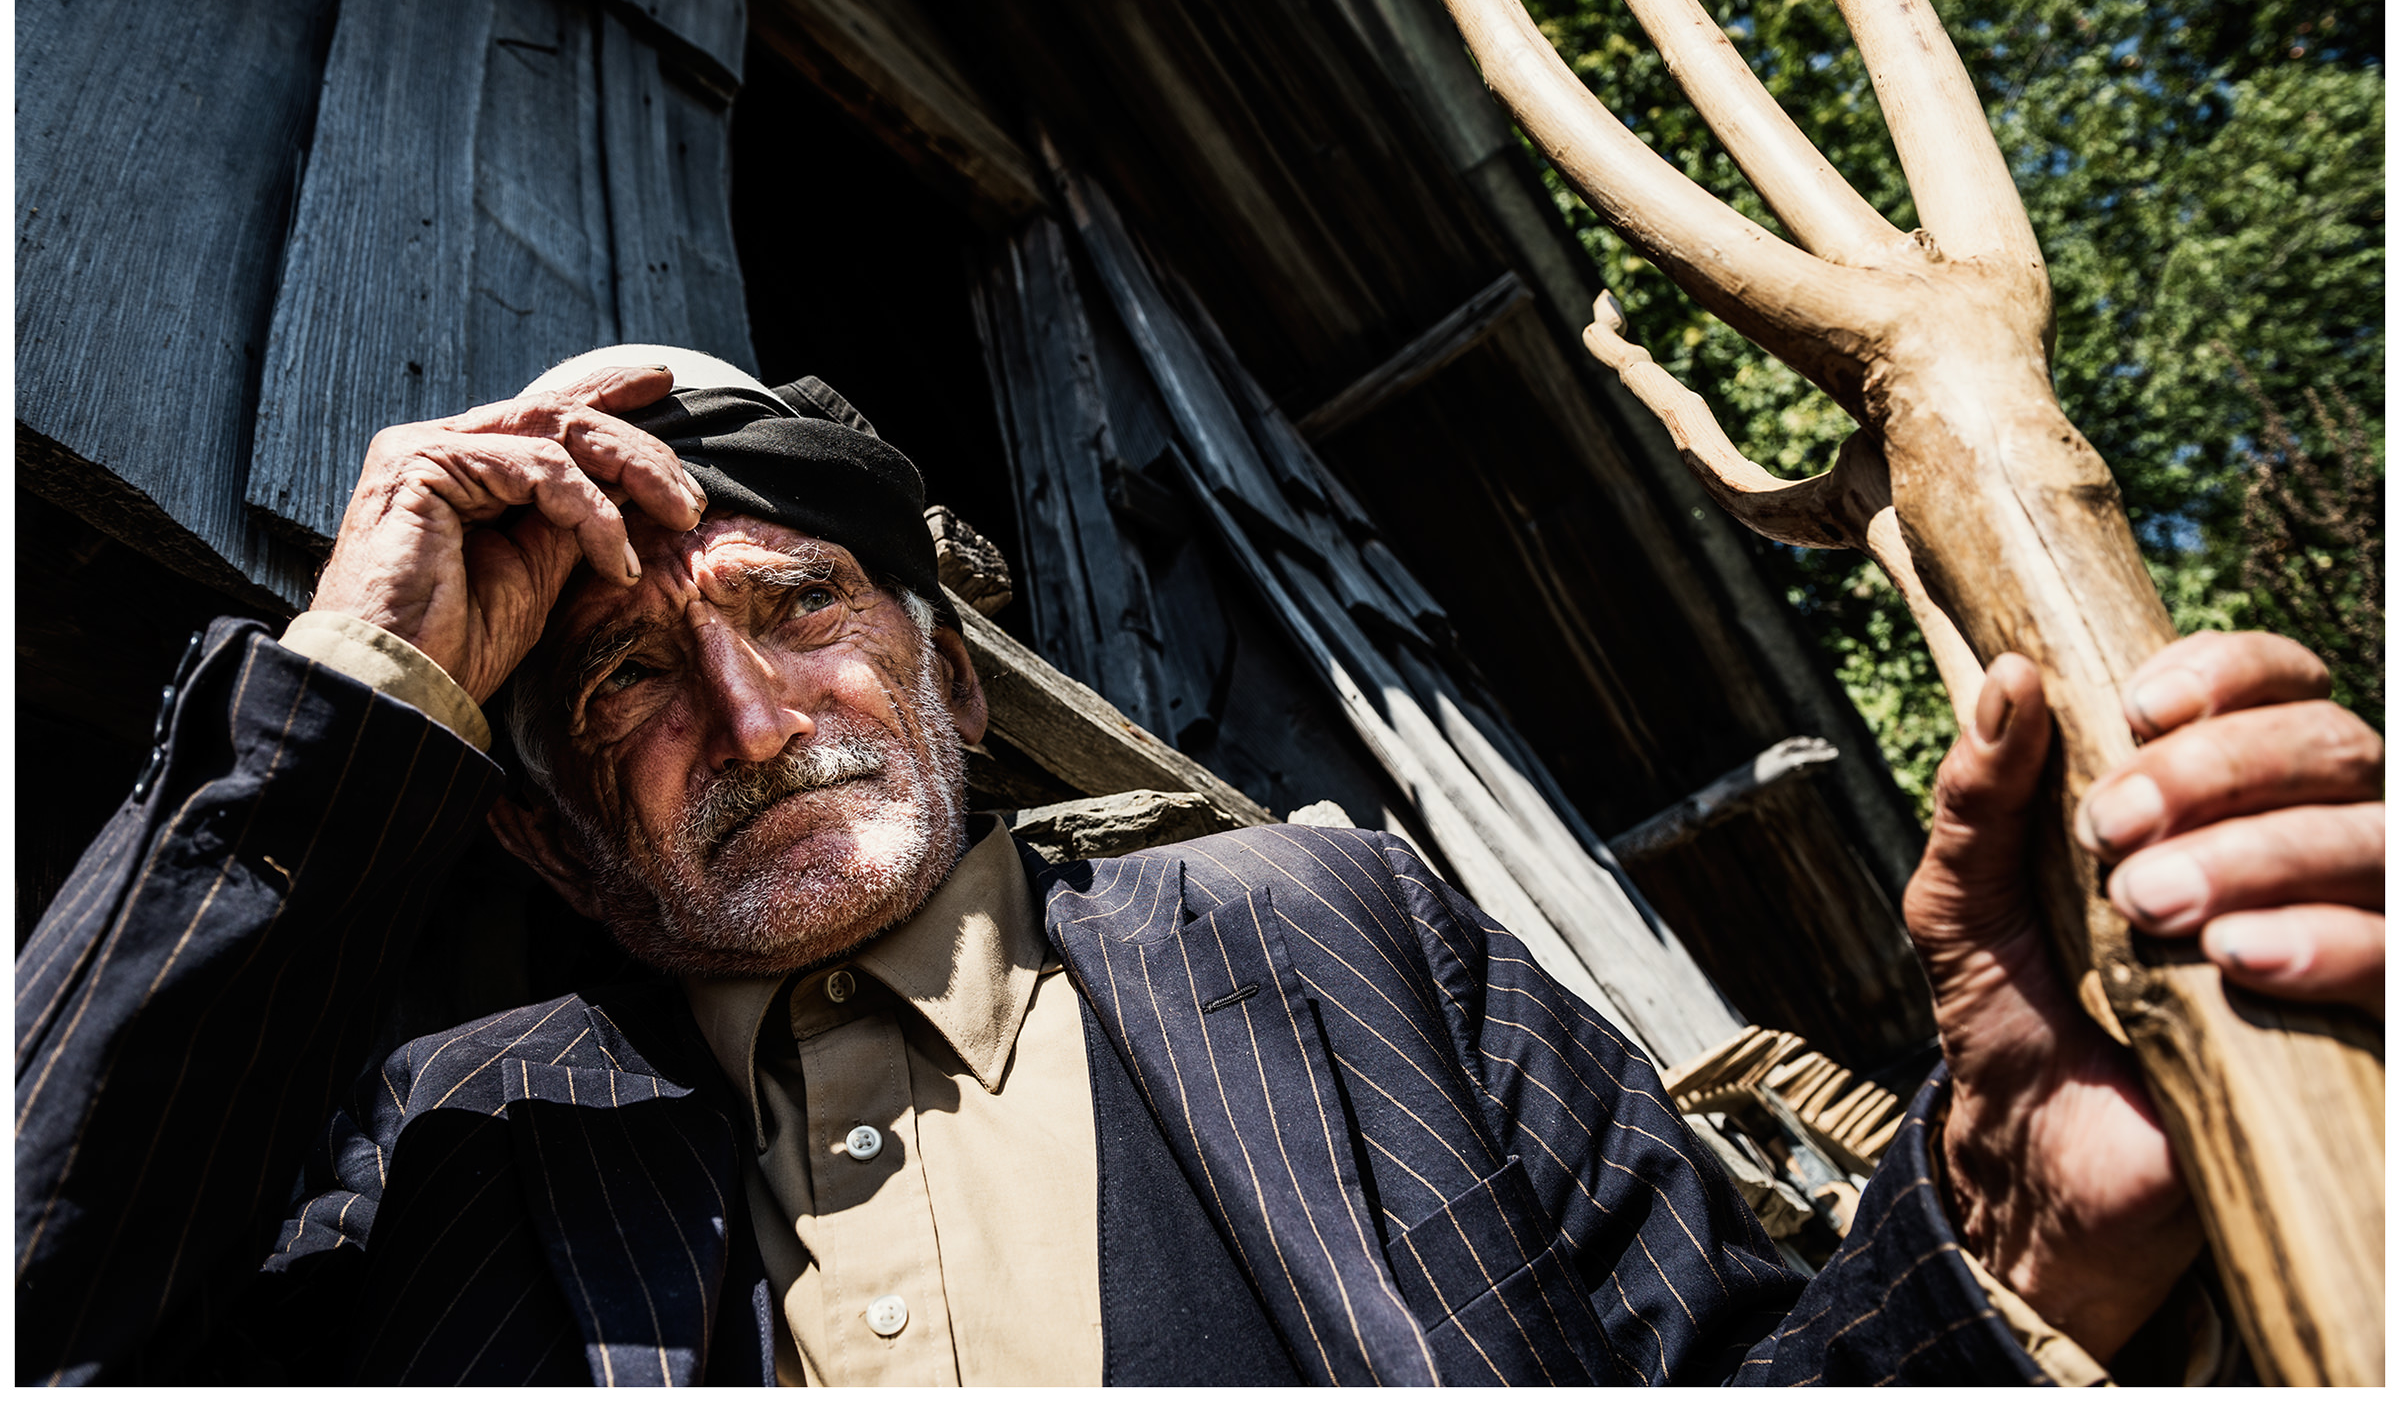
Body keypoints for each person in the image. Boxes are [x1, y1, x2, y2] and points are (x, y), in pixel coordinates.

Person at [17, 348, 2383, 1386]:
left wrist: (2016, 1238)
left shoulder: (1331, 938)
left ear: (946, 671)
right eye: (629, 682)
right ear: (529, 817)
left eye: (798, 606)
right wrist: (350, 687)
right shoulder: (432, 1133)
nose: (748, 717)